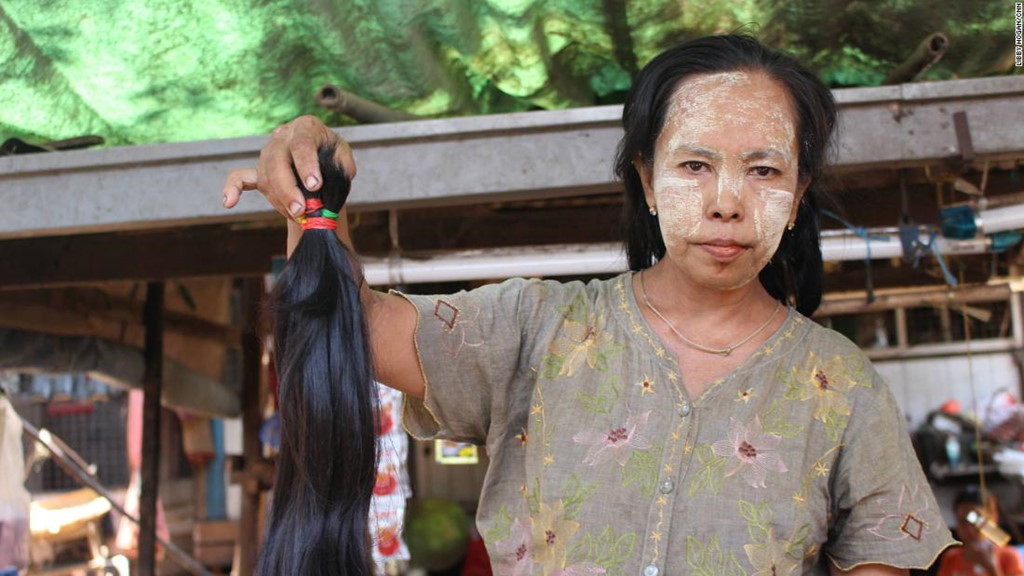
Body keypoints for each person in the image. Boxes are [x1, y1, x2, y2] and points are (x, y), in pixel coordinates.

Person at [223, 34, 956, 574]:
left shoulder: (843, 385)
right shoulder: (536, 328)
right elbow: (352, 327)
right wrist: (309, 189)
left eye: (764, 170)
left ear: (797, 198)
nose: (728, 202)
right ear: (645, 179)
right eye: (694, 165)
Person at [937, 488, 1024, 576]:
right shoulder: (951, 558)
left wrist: (991, 567)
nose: (969, 529)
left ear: (993, 518)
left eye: (976, 521)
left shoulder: (1009, 556)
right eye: (962, 521)